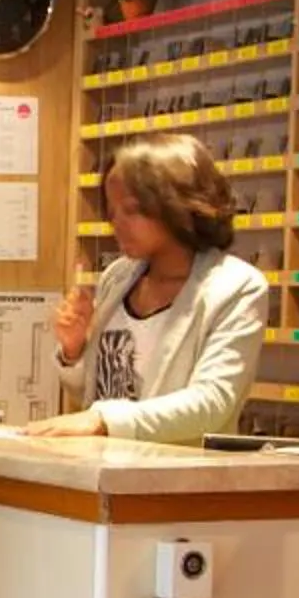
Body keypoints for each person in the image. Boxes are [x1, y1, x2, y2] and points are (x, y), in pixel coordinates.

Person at [31, 132, 270, 443]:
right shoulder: (117, 278)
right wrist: (74, 350)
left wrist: (103, 420)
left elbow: (212, 403)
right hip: (103, 474)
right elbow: (97, 392)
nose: (116, 224)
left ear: (177, 205)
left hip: (172, 481)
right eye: (112, 212)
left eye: (131, 210)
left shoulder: (237, 287)